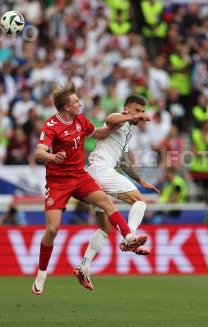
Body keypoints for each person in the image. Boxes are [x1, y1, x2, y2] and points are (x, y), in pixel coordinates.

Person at [31, 82, 147, 295]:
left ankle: (129, 238)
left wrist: (117, 125)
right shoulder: (51, 126)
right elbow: (39, 153)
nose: (80, 103)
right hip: (58, 182)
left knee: (105, 203)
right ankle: (41, 273)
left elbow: (99, 132)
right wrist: (52, 157)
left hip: (80, 175)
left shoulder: (80, 120)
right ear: (67, 107)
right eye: (76, 102)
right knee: (52, 229)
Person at [76, 95, 159, 289]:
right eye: (138, 110)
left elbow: (122, 161)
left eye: (142, 111)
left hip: (95, 174)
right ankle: (131, 237)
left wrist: (140, 180)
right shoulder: (119, 118)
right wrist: (129, 116)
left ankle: (84, 266)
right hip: (102, 171)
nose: (141, 115)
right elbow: (110, 120)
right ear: (127, 109)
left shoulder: (127, 130)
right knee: (140, 201)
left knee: (104, 228)